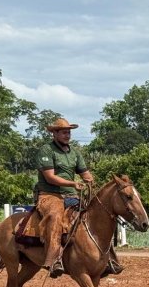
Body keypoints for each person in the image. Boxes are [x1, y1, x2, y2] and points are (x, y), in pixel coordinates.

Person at [35, 117, 123, 278]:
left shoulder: (74, 153)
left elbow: (85, 173)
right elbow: (50, 177)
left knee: (96, 217)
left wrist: (89, 179)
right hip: (49, 195)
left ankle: (109, 259)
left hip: (71, 196)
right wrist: (73, 183)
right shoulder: (46, 150)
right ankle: (54, 260)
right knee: (55, 217)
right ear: (54, 133)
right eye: (64, 132)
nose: (67, 135)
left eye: (68, 132)